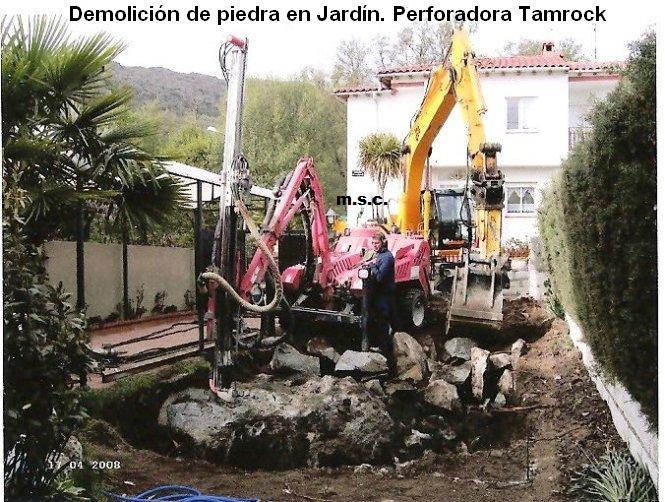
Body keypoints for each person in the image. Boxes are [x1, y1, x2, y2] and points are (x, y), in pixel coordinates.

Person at [367, 232, 396, 354]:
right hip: (378, 292)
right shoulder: (378, 255)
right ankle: (379, 343)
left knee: (383, 319)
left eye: (377, 243)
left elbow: (380, 277)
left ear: (383, 242)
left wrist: (372, 265)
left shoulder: (387, 257)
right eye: (373, 243)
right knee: (378, 319)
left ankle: (384, 348)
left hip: (384, 293)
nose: (374, 245)